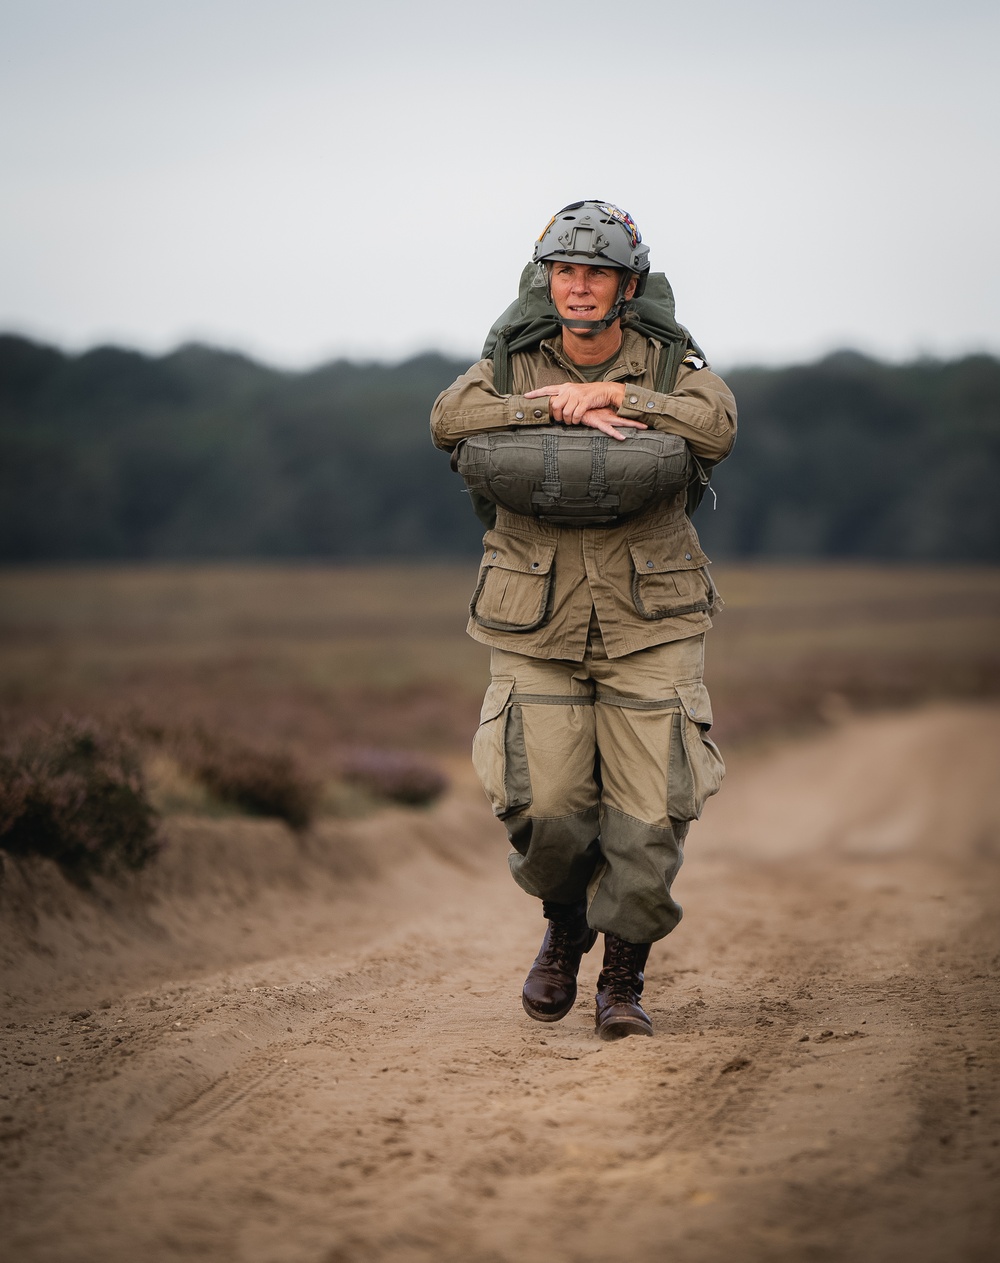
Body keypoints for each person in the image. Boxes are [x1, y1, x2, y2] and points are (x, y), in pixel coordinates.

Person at [430, 201, 737, 1039]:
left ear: (626, 285)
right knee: (547, 804)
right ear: (546, 278)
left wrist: (622, 392)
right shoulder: (509, 361)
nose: (578, 285)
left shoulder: (672, 362)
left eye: (595, 272)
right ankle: (564, 927)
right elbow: (449, 421)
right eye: (564, 270)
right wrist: (555, 403)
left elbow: (716, 423)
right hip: (534, 619)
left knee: (650, 815)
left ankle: (623, 980)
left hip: (652, 617)